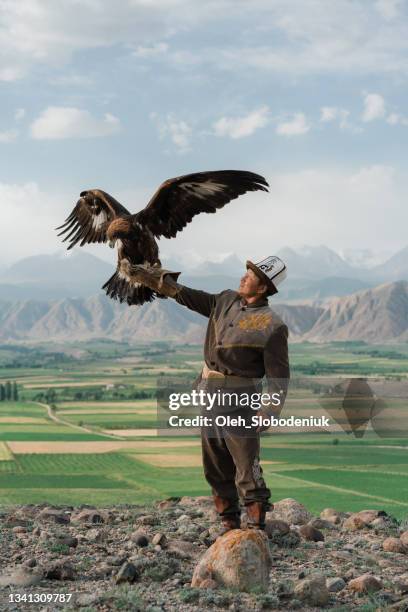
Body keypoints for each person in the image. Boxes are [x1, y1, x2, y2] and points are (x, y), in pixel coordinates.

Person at [129, 255, 290, 532]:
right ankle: (229, 522)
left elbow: (279, 376)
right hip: (209, 395)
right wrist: (154, 279)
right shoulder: (224, 300)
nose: (243, 277)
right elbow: (187, 296)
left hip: (241, 400)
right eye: (246, 271)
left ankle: (255, 526)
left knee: (245, 463)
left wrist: (269, 411)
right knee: (214, 463)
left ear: (263, 287)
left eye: (250, 275)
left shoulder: (272, 326)